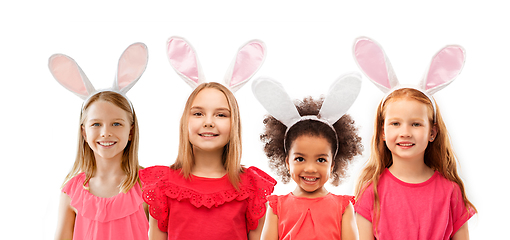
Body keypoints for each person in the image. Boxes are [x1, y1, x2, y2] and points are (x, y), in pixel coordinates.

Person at [140, 37, 275, 240]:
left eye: (221, 114)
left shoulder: (251, 187)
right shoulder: (163, 185)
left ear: (234, 124)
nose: (209, 122)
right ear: (185, 121)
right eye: (198, 113)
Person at [352, 37, 477, 239]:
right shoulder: (371, 192)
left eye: (416, 124)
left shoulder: (450, 192)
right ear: (383, 132)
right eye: (395, 123)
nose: (405, 132)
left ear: (432, 133)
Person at [50, 43, 150, 240]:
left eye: (116, 124)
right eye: (96, 124)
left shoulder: (147, 186)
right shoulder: (72, 191)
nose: (105, 133)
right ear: (84, 133)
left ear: (131, 131)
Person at [252, 75, 363, 240]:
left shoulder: (343, 207)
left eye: (321, 160)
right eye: (300, 159)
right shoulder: (276, 207)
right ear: (287, 162)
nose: (310, 168)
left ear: (332, 164)